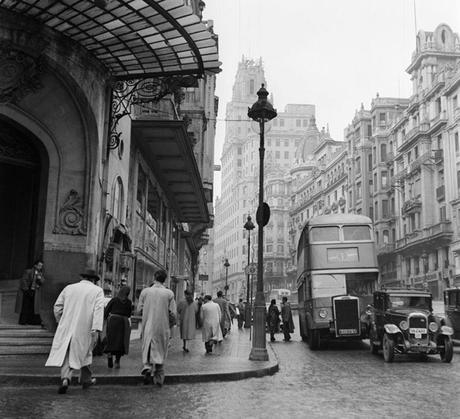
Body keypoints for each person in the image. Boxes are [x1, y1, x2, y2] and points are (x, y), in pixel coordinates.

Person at [45, 269, 104, 394]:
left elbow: (57, 307)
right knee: (85, 352)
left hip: (67, 326)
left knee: (68, 353)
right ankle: (83, 379)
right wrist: (96, 329)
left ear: (82, 277)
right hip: (85, 328)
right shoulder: (97, 291)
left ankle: (67, 378)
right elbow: (99, 310)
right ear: (94, 280)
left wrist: (61, 321)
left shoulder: (69, 288)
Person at [138, 270, 176, 387]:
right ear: (165, 279)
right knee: (160, 351)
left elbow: (139, 310)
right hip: (162, 326)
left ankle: (147, 368)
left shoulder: (145, 292)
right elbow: (173, 314)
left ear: (154, 277)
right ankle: (159, 378)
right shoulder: (169, 294)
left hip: (148, 325)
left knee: (148, 347)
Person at [104, 286, 133, 369]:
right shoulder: (129, 302)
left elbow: (106, 311)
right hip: (123, 323)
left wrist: (105, 319)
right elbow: (129, 314)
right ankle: (117, 361)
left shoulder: (114, 300)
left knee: (111, 339)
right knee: (120, 342)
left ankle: (109, 355)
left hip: (113, 321)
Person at [15, 260, 45, 325]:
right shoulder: (29, 271)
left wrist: (39, 280)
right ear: (35, 265)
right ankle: (23, 321)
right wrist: (26, 290)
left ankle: (33, 321)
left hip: (34, 292)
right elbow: (24, 280)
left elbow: (42, 281)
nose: (40, 267)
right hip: (27, 291)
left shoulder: (40, 273)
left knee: (33, 307)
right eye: (39, 265)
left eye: (41, 266)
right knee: (25, 306)